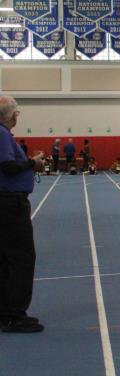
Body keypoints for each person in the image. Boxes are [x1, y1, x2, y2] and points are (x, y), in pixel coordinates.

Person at [0, 94, 45, 333]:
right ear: (13, 115)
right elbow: (7, 167)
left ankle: (6, 312)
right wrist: (32, 163)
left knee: (7, 259)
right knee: (21, 258)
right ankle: (15, 315)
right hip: (10, 204)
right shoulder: (2, 134)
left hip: (7, 203)